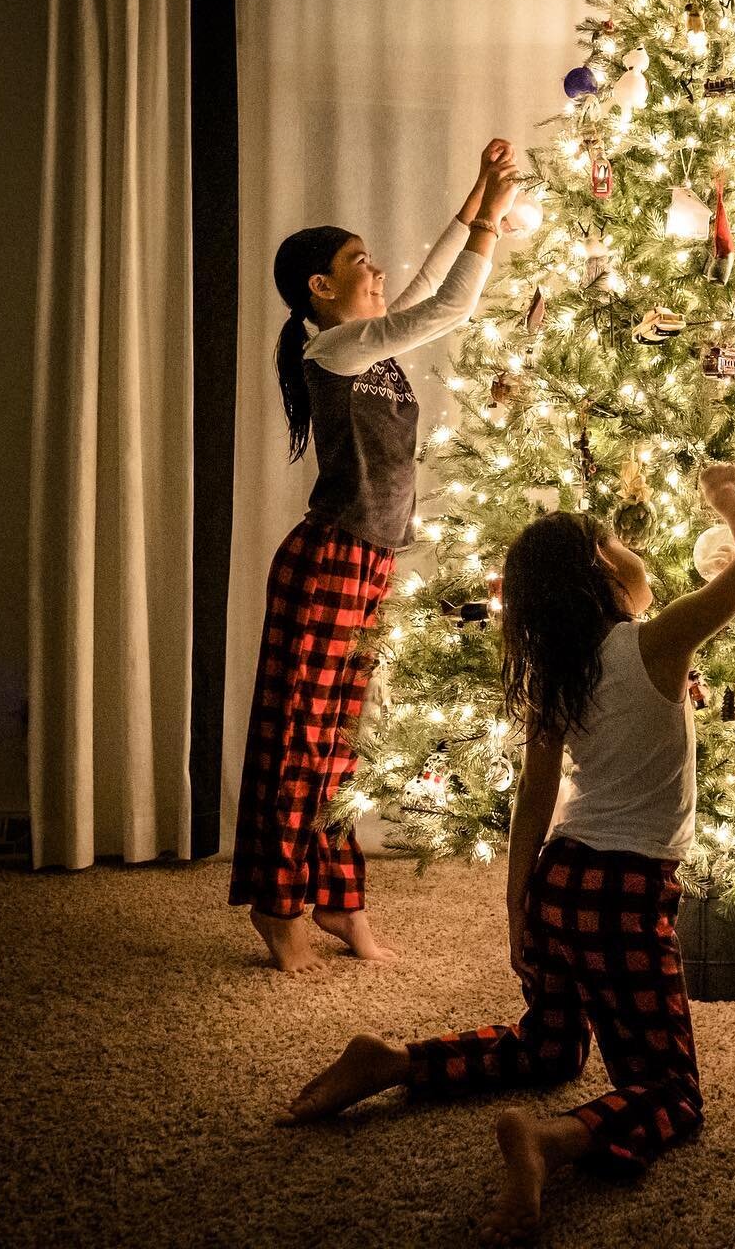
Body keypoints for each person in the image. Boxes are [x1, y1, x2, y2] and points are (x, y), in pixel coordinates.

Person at [277, 465, 735, 1245]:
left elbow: (534, 798)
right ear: (604, 571)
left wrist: (520, 910)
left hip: (557, 886)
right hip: (622, 894)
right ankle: (550, 1141)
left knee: (549, 1047)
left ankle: (398, 1060)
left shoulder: (562, 670)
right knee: (670, 1094)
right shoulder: (661, 639)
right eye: (618, 544)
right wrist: (722, 493)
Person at [228, 139, 522, 973]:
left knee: (342, 751)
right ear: (320, 289)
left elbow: (424, 290)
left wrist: (475, 198)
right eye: (360, 262)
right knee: (301, 741)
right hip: (331, 564)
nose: (378, 268)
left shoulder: (372, 349)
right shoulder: (333, 350)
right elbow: (443, 311)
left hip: (373, 565)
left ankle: (340, 905)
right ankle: (276, 907)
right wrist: (492, 223)